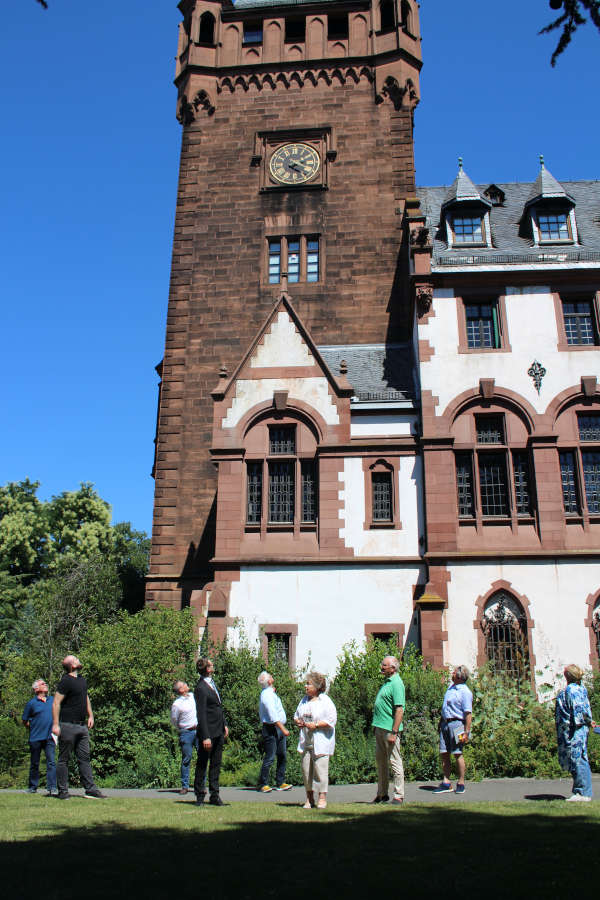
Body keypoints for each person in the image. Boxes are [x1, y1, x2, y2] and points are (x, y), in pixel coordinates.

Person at [52, 654, 106, 800]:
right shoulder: (65, 681)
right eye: (76, 659)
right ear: (72, 665)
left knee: (84, 758)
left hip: (82, 726)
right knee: (64, 759)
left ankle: (90, 789)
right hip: (67, 725)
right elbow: (56, 702)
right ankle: (63, 791)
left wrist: (91, 715)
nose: (78, 660)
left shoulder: (82, 680)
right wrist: (56, 724)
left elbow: (85, 696)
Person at [293, 671, 337, 810]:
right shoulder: (304, 700)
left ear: (317, 686)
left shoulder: (325, 701)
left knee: (320, 770)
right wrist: (299, 722)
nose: (306, 686)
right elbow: (296, 715)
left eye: (309, 684)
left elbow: (331, 720)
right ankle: (309, 797)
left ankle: (322, 797)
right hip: (306, 740)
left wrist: (316, 725)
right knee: (306, 771)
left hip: (321, 740)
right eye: (306, 684)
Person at [555, 663, 596, 802]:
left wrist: (583, 722)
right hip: (578, 729)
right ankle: (580, 790)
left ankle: (583, 793)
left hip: (574, 730)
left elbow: (578, 711)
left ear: (567, 676)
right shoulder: (581, 689)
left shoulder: (571, 690)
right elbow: (584, 710)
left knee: (578, 759)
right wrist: (589, 721)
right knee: (578, 758)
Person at [193, 657, 229, 806]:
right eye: (211, 664)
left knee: (216, 764)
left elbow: (217, 707)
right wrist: (205, 736)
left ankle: (215, 794)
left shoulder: (212, 684)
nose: (213, 665)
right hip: (208, 733)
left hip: (218, 730)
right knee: (202, 764)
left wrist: (224, 724)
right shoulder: (201, 688)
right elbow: (201, 714)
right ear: (207, 669)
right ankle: (200, 795)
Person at [433, 664, 473, 794]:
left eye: (454, 672)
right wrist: (441, 723)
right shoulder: (450, 688)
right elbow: (445, 708)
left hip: (458, 725)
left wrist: (467, 732)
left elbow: (468, 713)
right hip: (445, 723)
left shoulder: (465, 692)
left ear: (460, 676)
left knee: (457, 753)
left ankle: (461, 782)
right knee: (444, 753)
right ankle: (446, 782)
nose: (452, 674)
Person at [372, 655, 405, 805]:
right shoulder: (386, 682)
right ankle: (382, 794)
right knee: (381, 762)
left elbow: (399, 709)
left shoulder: (397, 683)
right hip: (380, 727)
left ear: (393, 668)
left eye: (384, 665)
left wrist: (394, 731)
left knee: (394, 762)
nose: (382, 667)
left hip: (389, 729)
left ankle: (398, 795)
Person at [257, 671, 292, 793]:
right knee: (270, 756)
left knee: (282, 755)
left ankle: (280, 781)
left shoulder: (270, 693)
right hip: (272, 728)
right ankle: (263, 783)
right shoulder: (267, 695)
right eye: (271, 676)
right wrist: (283, 729)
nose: (273, 677)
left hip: (277, 727)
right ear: (269, 681)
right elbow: (272, 715)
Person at [22, 679, 57, 795]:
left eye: (45, 683)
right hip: (35, 737)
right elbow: (25, 720)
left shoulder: (52, 700)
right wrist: (34, 728)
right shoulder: (31, 703)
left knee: (51, 762)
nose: (45, 684)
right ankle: (32, 787)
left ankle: (52, 787)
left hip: (49, 737)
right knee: (34, 763)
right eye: (43, 684)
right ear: (36, 689)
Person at [170, 680, 198, 795]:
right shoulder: (177, 704)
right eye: (184, 684)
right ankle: (185, 785)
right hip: (186, 732)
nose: (187, 685)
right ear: (181, 690)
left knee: (202, 758)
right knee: (187, 758)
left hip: (198, 730)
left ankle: (200, 784)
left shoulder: (192, 696)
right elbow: (174, 720)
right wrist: (181, 728)